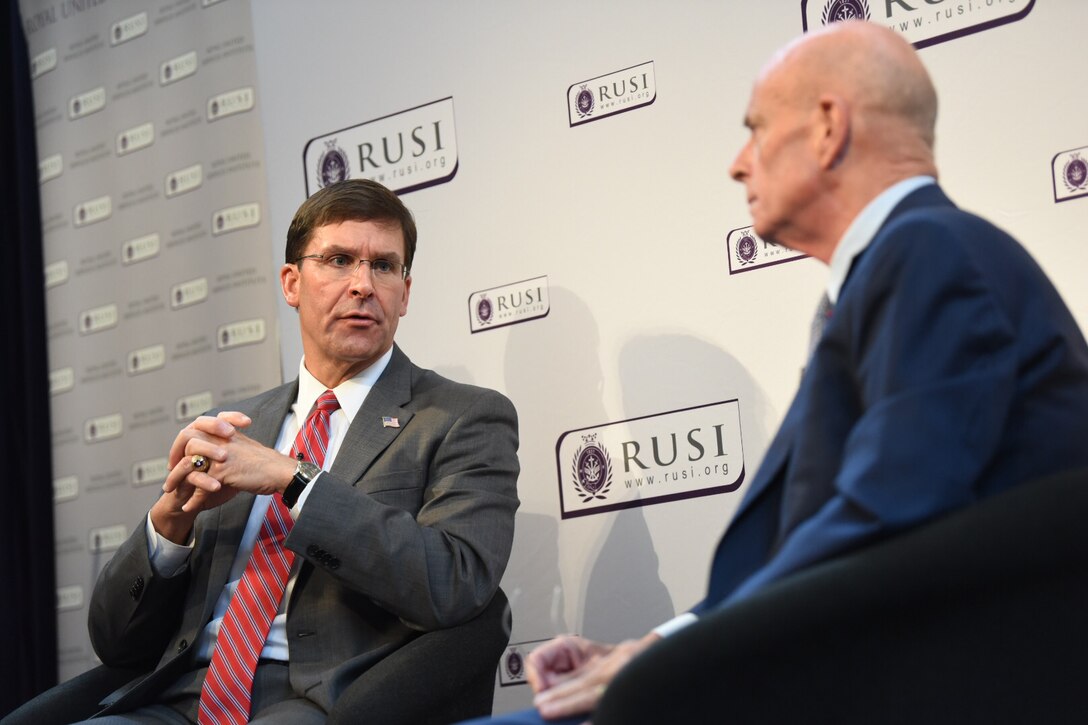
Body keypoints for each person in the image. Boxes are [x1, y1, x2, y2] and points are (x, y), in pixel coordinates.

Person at [470, 19, 1088, 725]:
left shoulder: (931, 255)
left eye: (756, 129)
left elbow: (883, 526)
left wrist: (668, 662)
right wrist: (648, 646)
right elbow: (814, 544)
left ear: (827, 127)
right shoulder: (891, 274)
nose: (738, 162)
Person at [15, 179, 520, 723]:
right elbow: (115, 643)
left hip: (324, 699)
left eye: (383, 266)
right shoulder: (240, 426)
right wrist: (168, 532)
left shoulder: (462, 417)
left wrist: (293, 480)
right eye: (339, 259)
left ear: (405, 291)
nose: (362, 285)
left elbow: (457, 584)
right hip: (180, 696)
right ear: (291, 283)